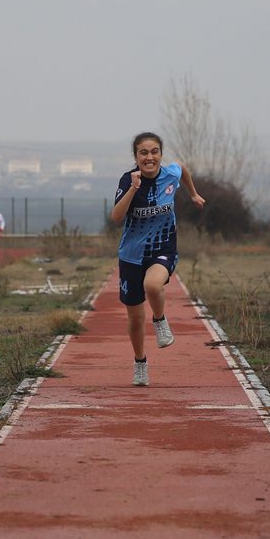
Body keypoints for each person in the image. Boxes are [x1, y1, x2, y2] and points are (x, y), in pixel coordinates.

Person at [109, 131, 205, 387]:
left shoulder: (170, 174)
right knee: (135, 317)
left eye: (154, 152)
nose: (149, 157)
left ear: (161, 154)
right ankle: (140, 362)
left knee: (153, 285)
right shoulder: (128, 180)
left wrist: (193, 194)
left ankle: (160, 320)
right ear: (136, 157)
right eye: (144, 152)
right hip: (131, 255)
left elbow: (182, 169)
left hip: (163, 247)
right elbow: (116, 217)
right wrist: (133, 189)